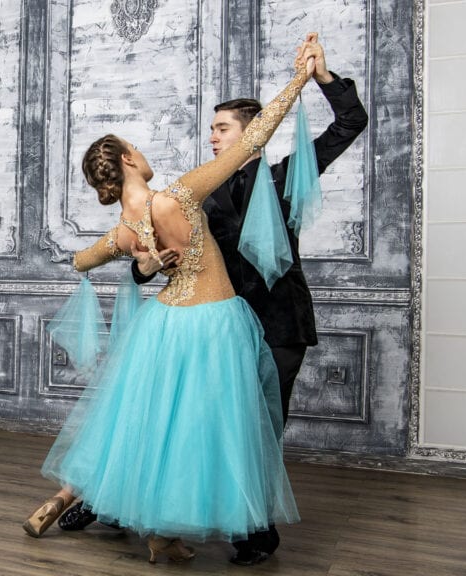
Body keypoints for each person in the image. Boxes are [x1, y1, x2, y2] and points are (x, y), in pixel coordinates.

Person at [58, 33, 370, 566]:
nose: (212, 137)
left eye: (222, 128)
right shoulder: (196, 192)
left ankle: (252, 528)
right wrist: (144, 266)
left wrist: (319, 77)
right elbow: (150, 254)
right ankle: (114, 499)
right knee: (186, 416)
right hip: (214, 321)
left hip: (275, 322)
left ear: (252, 132)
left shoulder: (284, 177)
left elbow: (349, 125)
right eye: (210, 129)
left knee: (256, 425)